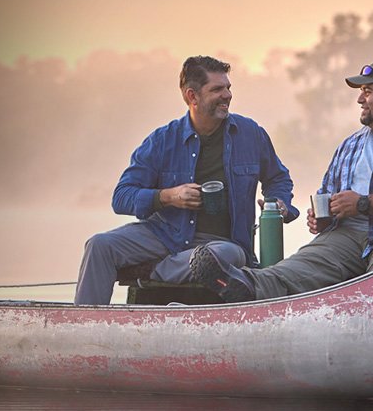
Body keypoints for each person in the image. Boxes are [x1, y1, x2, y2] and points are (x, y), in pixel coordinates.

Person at [189, 59, 373, 302]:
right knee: (295, 269)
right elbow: (327, 195)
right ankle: (241, 285)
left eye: (367, 92)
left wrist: (363, 204)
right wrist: (323, 217)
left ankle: (367, 319)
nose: (360, 100)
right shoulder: (351, 145)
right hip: (348, 235)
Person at [73, 56, 299, 305]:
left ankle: (150, 270)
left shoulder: (250, 134)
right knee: (99, 245)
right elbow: (122, 197)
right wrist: (168, 196)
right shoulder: (161, 140)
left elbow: (278, 178)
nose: (227, 95)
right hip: (163, 235)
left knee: (223, 256)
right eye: (217, 89)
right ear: (193, 96)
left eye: (228, 88)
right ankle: (83, 326)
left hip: (223, 244)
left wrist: (279, 203)